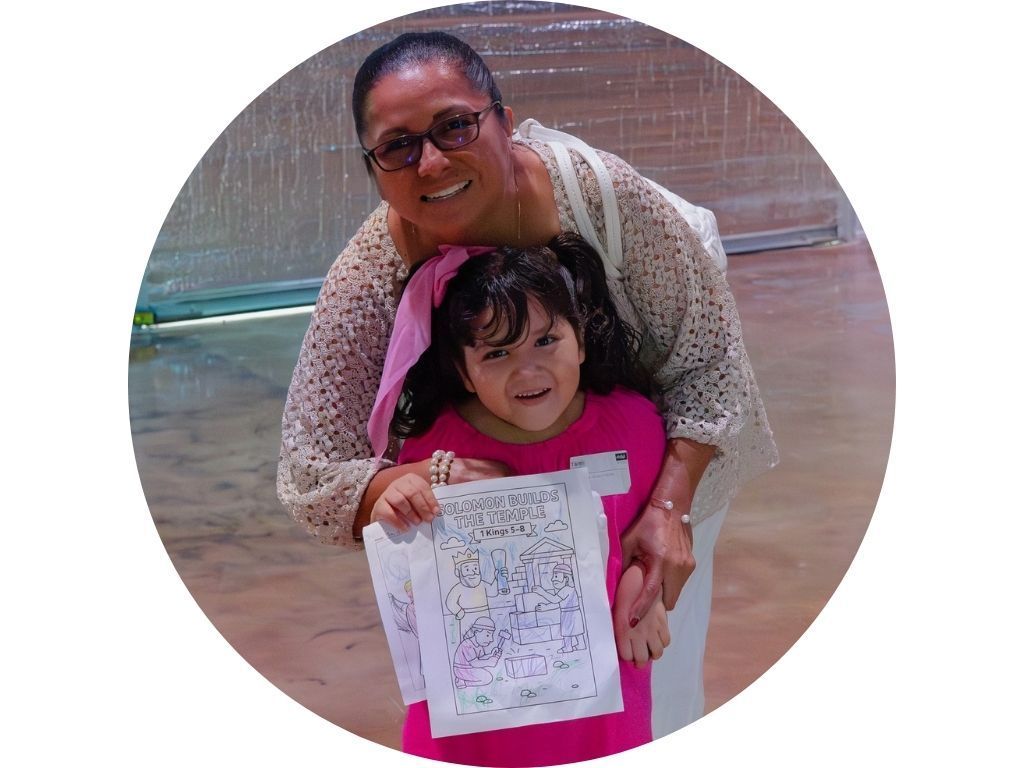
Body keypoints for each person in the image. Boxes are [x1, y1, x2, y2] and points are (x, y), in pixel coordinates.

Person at [276, 30, 777, 736]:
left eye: (455, 125)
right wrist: (418, 478)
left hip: (643, 438)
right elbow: (310, 467)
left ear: (505, 121)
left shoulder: (608, 200)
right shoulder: (368, 277)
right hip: (500, 480)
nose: (432, 160)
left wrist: (669, 508)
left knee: (651, 645)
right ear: (374, 166)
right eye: (398, 146)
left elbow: (709, 368)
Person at [372, 235, 669, 764]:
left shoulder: (635, 428)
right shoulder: (432, 450)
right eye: (497, 352)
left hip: (601, 711)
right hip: (469, 720)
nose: (527, 369)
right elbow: (404, 563)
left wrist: (650, 593)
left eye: (545, 341)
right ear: (463, 371)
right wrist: (395, 501)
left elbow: (651, 537)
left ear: (580, 340)